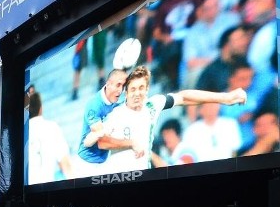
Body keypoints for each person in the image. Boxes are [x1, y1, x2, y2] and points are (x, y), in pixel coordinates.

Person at [83, 65, 247, 174]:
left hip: (143, 178)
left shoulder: (152, 106)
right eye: (132, 89)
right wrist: (131, 142)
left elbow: (184, 97)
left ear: (147, 89)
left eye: (141, 88)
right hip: (117, 180)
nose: (137, 93)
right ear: (126, 92)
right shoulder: (115, 113)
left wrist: (225, 98)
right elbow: (102, 142)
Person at [27, 92, 72, 184]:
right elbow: (65, 164)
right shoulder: (52, 127)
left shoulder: (22, 133)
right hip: (48, 189)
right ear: (41, 109)